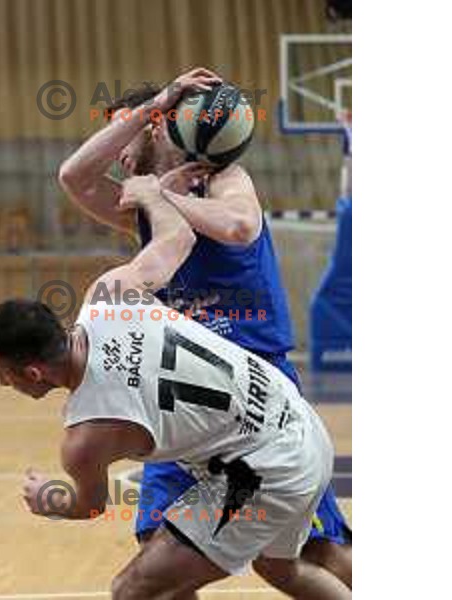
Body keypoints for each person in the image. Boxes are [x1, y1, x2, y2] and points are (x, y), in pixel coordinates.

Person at [0, 175, 351, 599]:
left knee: (134, 590)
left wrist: (49, 499)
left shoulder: (86, 436)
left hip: (268, 468)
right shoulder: (109, 295)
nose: (2, 383)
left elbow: (90, 505)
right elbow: (178, 237)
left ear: (33, 372)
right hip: (298, 419)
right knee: (282, 568)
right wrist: (153, 194)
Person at [59, 67, 352, 591]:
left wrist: (158, 195)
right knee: (156, 551)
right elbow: (75, 177)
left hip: (257, 389)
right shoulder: (147, 201)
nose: (120, 156)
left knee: (314, 548)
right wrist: (156, 107)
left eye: (128, 137)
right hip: (178, 396)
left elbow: (238, 227)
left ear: (156, 132)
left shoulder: (223, 179)